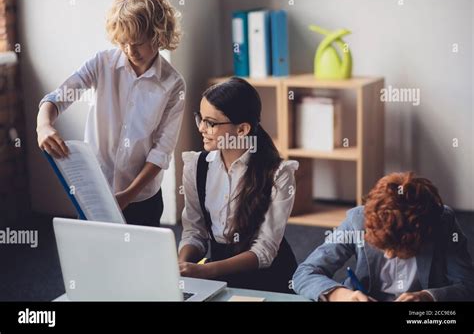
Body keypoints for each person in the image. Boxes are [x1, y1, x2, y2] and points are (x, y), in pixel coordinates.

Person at [36, 0, 185, 227]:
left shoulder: (173, 84)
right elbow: (58, 97)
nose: (129, 50)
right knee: (96, 257)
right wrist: (43, 125)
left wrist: (128, 195)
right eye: (123, 42)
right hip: (96, 190)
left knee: (139, 261)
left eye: (137, 43)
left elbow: (161, 151)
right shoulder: (101, 62)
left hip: (142, 197)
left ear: (158, 36)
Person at [178, 77, 298, 293]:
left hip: (268, 278)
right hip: (215, 273)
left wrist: (206, 271)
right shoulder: (196, 166)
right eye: (200, 119)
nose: (201, 129)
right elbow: (195, 231)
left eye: (211, 123)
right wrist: (182, 266)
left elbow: (264, 250)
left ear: (242, 130)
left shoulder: (279, 173)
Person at [293, 172, 474, 301]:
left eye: (396, 247)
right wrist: (341, 295)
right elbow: (304, 273)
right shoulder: (358, 220)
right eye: (382, 246)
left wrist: (428, 297)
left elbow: (467, 285)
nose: (388, 255)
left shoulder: (442, 223)